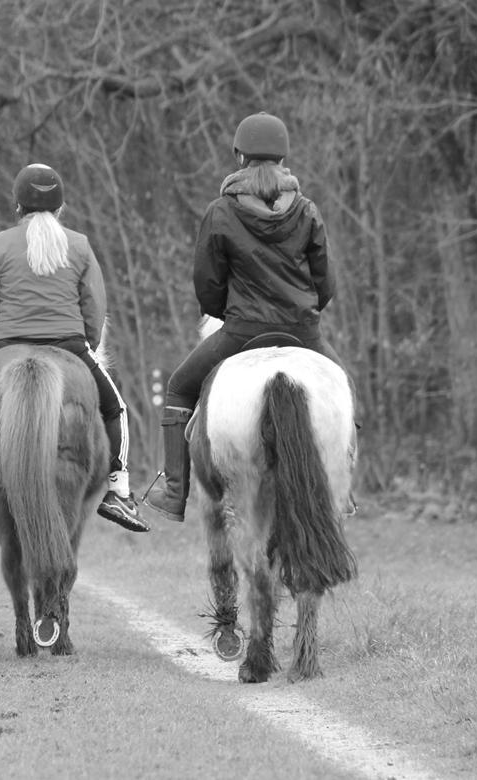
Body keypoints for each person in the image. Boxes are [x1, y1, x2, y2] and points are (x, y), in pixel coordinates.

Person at [144, 112, 345, 523]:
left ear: (240, 158)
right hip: (303, 332)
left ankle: (175, 490)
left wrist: (225, 313)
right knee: (345, 393)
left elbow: (207, 282)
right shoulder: (306, 210)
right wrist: (305, 312)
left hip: (241, 331)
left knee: (181, 387)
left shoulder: (222, 211)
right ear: (283, 158)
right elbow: (326, 281)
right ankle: (346, 490)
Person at [0, 163, 149, 534]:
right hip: (70, 346)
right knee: (116, 408)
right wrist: (88, 344)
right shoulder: (79, 244)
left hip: (7, 345)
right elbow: (95, 305)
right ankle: (118, 490)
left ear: (17, 207)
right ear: (61, 208)